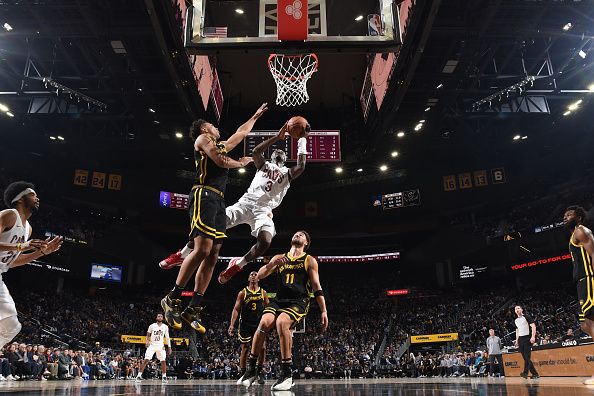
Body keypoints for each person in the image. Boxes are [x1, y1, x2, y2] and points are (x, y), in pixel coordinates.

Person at [160, 120, 310, 285]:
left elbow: (301, 166)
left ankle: (237, 265)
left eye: (281, 154)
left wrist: (303, 138)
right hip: (244, 204)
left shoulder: (288, 173)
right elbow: (256, 151)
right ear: (272, 157)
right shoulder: (263, 165)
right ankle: (182, 254)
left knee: (266, 241)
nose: (278, 154)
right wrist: (277, 137)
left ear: (285, 159)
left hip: (263, 211)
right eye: (275, 153)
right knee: (208, 228)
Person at [160, 104, 267, 333]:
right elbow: (220, 161)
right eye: (213, 125)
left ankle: (193, 307)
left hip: (218, 200)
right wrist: (241, 163)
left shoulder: (218, 144)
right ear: (204, 128)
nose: (217, 128)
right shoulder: (202, 139)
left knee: (214, 254)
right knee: (202, 249)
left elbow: (240, 133)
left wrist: (255, 116)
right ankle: (172, 297)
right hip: (204, 194)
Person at [239, 230, 328, 390]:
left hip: (298, 300)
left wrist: (323, 310)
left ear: (306, 243)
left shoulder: (309, 260)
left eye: (301, 235)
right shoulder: (279, 257)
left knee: (281, 322)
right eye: (296, 234)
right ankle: (251, 369)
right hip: (279, 299)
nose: (297, 235)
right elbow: (260, 275)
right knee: (264, 322)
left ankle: (287, 373)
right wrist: (273, 264)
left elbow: (316, 287)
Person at [0, 182, 62, 348]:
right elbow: (19, 248)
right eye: (33, 194)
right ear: (20, 198)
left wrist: (41, 253)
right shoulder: (9, 215)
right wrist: (21, 246)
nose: (37, 198)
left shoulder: (28, 229)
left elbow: (12, 262)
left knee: (13, 327)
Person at [564, 205, 594, 384]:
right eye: (564, 215)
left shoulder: (581, 231)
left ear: (580, 217)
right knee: (584, 325)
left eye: (569, 214)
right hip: (581, 282)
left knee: (591, 323)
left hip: (589, 279)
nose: (565, 217)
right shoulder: (574, 234)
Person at [228, 271, 269, 384]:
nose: (253, 276)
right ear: (248, 278)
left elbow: (269, 308)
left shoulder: (263, 293)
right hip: (245, 324)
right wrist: (232, 324)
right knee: (245, 348)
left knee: (262, 348)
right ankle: (243, 374)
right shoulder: (243, 293)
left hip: (259, 324)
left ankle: (258, 373)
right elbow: (236, 309)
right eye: (251, 274)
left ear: (259, 278)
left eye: (255, 275)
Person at [136, 313, 171, 383]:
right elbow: (148, 335)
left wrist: (169, 347)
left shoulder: (165, 327)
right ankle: (139, 376)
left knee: (163, 361)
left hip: (160, 346)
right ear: (156, 318)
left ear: (163, 318)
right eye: (158, 316)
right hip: (152, 345)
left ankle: (164, 376)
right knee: (146, 360)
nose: (160, 317)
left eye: (161, 316)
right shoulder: (152, 326)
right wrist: (147, 342)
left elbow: (167, 337)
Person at [514, 305, 539, 379]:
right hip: (521, 339)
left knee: (527, 357)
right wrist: (517, 340)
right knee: (525, 358)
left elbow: (533, 326)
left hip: (527, 338)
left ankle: (525, 373)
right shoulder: (516, 320)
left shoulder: (526, 317)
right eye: (515, 309)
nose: (517, 309)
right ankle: (535, 374)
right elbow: (517, 330)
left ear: (521, 309)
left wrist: (533, 336)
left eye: (518, 308)